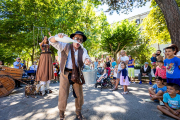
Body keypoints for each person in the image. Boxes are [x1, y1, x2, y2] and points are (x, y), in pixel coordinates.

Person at [49, 31, 91, 120]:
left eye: (81, 40)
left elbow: (86, 57)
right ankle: (61, 114)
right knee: (63, 94)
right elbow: (51, 41)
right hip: (65, 73)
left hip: (77, 74)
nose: (79, 41)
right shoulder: (65, 45)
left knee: (79, 94)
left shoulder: (83, 50)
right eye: (76, 38)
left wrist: (87, 60)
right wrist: (57, 37)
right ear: (72, 39)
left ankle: (78, 112)